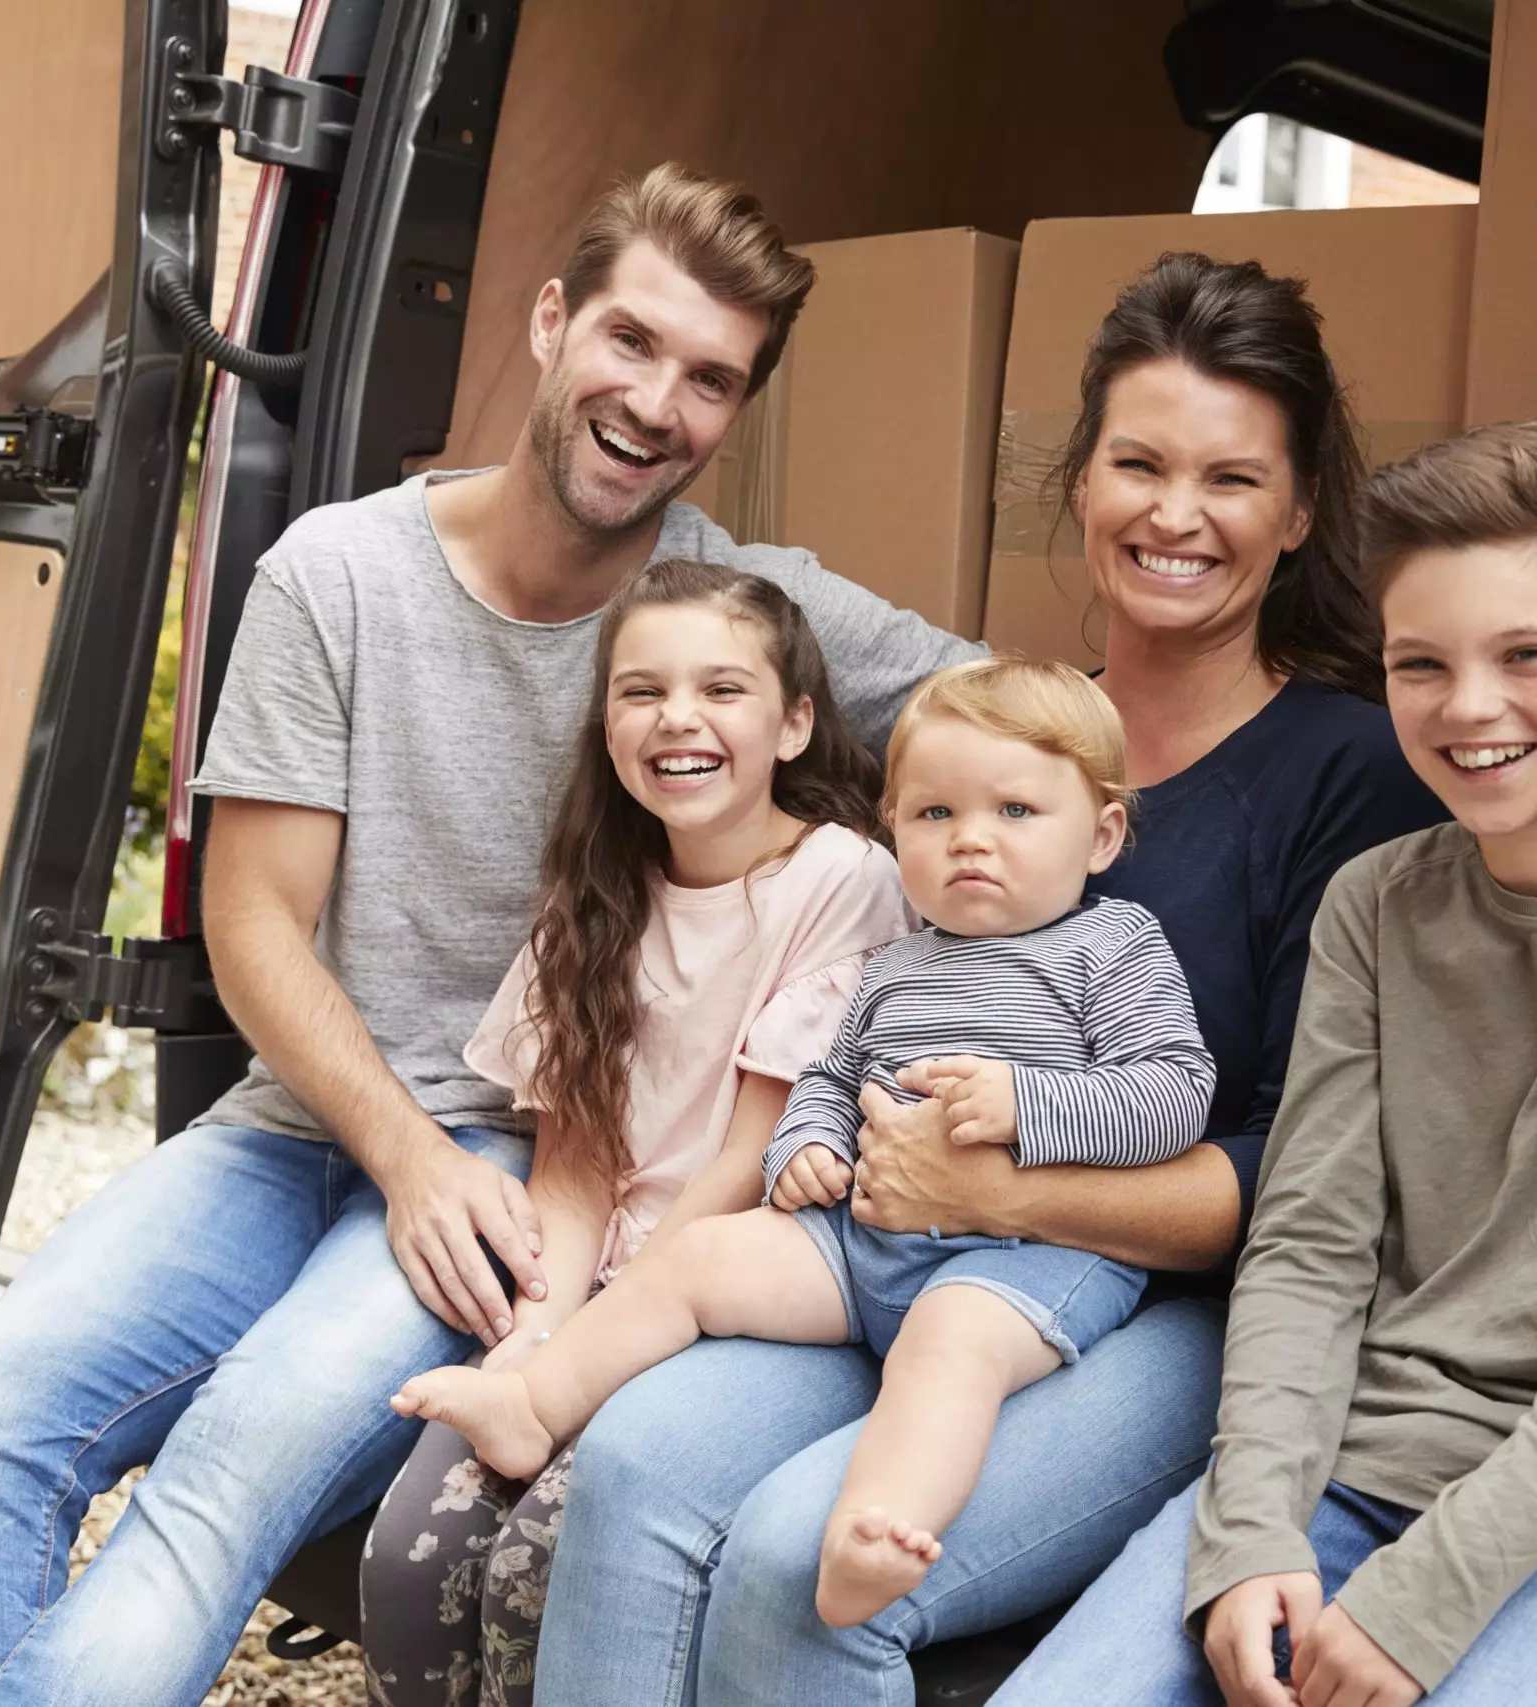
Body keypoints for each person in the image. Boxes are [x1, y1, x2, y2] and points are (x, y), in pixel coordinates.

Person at [0, 164, 976, 1707]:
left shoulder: (741, 613)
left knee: (231, 1462)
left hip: (534, 1152)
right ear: (549, 321)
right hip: (314, 1128)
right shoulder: (339, 570)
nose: (657, 402)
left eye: (711, 379)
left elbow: (1006, 713)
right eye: (632, 343)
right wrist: (402, 1153)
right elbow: (252, 921)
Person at [532, 253, 1450, 1707]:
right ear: (1077, 481)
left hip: (1157, 1300)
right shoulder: (975, 726)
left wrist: (1001, 1193)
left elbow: (1308, 1167)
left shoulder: (1351, 777)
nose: (1172, 513)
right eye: (1136, 462)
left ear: (1301, 510)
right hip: (890, 1250)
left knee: (797, 1556)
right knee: (637, 1462)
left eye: (1229, 477)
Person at [991, 420, 1537, 1707]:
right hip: (1349, 1470)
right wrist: (1254, 1529)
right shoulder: (1376, 902)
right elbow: (1311, 1243)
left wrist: (1423, 1601)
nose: (1469, 707)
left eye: (1529, 655)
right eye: (1420, 665)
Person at [395, 658, 1217, 1630]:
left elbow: (1174, 1094)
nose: (972, 843)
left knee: (948, 1351)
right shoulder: (895, 963)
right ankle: (535, 1405)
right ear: (894, 828)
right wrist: (807, 1149)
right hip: (859, 1243)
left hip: (1025, 1266)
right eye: (935, 816)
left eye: (1016, 814)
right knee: (702, 1256)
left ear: (1104, 834)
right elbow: (832, 1078)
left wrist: (1028, 1104)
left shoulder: (1110, 948)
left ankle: (877, 1531)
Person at [356, 556, 914, 1706]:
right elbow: (574, 1168)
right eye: (641, 690)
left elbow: (750, 1165)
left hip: (734, 1299)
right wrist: (539, 1327)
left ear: (796, 723)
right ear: (606, 723)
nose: (678, 719)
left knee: (531, 1570)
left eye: (722, 689)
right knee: (412, 1556)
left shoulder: (840, 879)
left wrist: (586, 1356)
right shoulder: (597, 892)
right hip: (606, 1295)